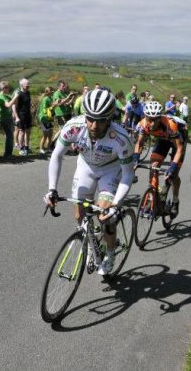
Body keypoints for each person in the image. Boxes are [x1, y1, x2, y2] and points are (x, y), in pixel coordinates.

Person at [44, 89, 134, 275]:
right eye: (90, 118)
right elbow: (57, 156)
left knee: (105, 216)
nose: (93, 125)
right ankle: (93, 246)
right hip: (86, 166)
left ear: (109, 119)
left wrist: (115, 204)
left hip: (111, 170)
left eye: (100, 120)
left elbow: (127, 174)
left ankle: (109, 252)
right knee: (79, 215)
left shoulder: (121, 139)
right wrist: (52, 189)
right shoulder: (73, 126)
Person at [133, 101, 185, 218]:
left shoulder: (169, 124)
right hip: (162, 139)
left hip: (177, 139)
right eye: (149, 118)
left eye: (154, 119)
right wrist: (136, 159)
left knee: (174, 174)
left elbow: (179, 149)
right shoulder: (142, 124)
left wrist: (172, 167)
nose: (151, 122)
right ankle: (152, 198)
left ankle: (175, 201)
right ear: (145, 116)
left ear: (160, 117)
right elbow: (139, 143)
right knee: (153, 166)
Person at [10, 78, 32, 156]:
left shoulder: (28, 93)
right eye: (26, 85)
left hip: (28, 114)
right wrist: (16, 117)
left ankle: (26, 147)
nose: (28, 86)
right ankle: (21, 148)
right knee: (21, 132)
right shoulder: (18, 94)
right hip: (21, 115)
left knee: (28, 131)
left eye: (28, 85)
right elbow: (13, 106)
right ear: (21, 85)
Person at [0, 81, 15, 158]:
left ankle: (9, 153)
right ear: (3, 88)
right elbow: (8, 105)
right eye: (7, 87)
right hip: (4, 118)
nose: (8, 89)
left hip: (8, 117)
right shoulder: (1, 96)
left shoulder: (5, 95)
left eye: (8, 87)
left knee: (10, 136)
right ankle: (7, 154)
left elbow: (13, 101)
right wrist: (16, 96)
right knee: (9, 136)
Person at [37, 86, 55, 155]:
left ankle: (48, 148)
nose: (53, 92)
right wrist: (53, 106)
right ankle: (41, 149)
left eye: (53, 90)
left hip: (49, 117)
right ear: (48, 92)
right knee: (45, 135)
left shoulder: (50, 98)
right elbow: (45, 110)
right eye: (51, 90)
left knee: (50, 134)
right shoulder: (45, 99)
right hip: (44, 118)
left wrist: (54, 105)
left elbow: (51, 108)